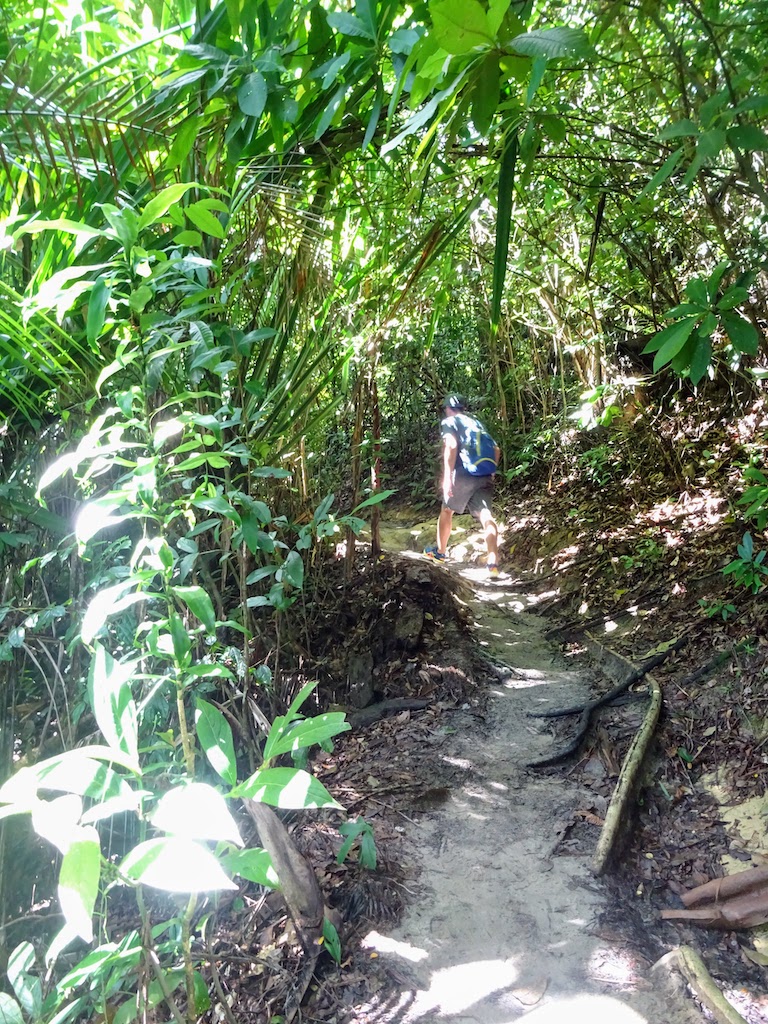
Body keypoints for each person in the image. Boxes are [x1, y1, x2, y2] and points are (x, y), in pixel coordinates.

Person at [423, 395, 501, 577]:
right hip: (483, 473)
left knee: (446, 510)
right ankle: (493, 563)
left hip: (463, 473)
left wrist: (448, 476)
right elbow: (496, 449)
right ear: (463, 408)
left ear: (448, 409)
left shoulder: (450, 422)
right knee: (486, 515)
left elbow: (451, 445)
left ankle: (440, 552)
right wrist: (492, 472)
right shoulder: (476, 423)